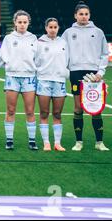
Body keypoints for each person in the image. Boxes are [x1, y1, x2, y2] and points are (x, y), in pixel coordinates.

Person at [61, 1, 109, 151]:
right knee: (77, 108)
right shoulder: (68, 33)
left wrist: (100, 72)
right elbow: (62, 54)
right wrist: (68, 72)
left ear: (90, 15)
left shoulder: (98, 32)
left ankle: (99, 142)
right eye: (80, 14)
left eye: (86, 14)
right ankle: (79, 142)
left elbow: (104, 54)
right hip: (75, 73)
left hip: (93, 74)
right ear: (75, 15)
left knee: (96, 108)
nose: (83, 17)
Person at [0, 10, 38, 150]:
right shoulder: (9, 39)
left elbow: (38, 57)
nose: (22, 25)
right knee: (10, 110)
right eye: (19, 22)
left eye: (25, 22)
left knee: (30, 111)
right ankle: (9, 140)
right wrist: (12, 64)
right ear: (15, 23)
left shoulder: (33, 38)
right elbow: (3, 55)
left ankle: (32, 141)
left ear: (28, 23)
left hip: (29, 77)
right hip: (12, 77)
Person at [36, 18, 69, 151]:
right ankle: (46, 143)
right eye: (50, 27)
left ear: (58, 28)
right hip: (44, 81)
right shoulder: (39, 42)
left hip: (59, 81)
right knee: (44, 113)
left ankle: (57, 143)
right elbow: (36, 61)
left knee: (57, 113)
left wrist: (63, 73)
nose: (53, 29)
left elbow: (67, 60)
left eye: (55, 27)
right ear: (46, 28)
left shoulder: (63, 43)